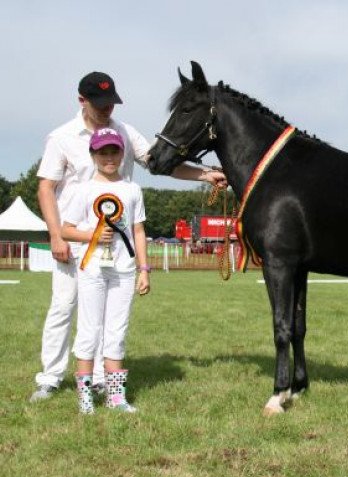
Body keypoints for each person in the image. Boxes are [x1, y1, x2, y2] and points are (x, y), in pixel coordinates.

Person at [31, 71, 226, 402]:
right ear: (82, 101)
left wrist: (204, 174)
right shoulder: (61, 137)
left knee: (106, 315)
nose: (108, 110)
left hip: (115, 246)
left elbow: (158, 163)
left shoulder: (124, 132)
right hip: (76, 237)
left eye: (111, 103)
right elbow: (46, 188)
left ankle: (99, 380)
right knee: (64, 306)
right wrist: (56, 235)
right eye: (100, 104)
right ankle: (49, 378)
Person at [62, 127, 148, 413]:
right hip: (93, 270)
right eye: (103, 152)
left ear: (122, 154)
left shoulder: (132, 190)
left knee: (117, 331)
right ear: (93, 154)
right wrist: (92, 236)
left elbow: (137, 230)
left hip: (123, 271)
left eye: (114, 151)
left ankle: (115, 397)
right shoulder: (82, 190)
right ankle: (85, 398)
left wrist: (144, 269)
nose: (109, 157)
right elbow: (66, 230)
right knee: (89, 331)